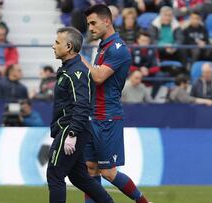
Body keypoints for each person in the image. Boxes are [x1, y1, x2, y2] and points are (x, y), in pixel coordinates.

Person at [83, 4, 149, 203]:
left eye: (93, 23)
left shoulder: (118, 48)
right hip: (93, 115)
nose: (91, 28)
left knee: (108, 172)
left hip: (107, 117)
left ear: (107, 21)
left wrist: (77, 58)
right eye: (88, 24)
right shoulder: (103, 46)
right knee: (90, 169)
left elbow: (99, 77)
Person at [47, 27, 114, 203]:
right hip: (72, 128)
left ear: (69, 46)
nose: (53, 46)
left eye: (57, 42)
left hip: (71, 128)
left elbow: (82, 105)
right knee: (80, 178)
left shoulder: (76, 72)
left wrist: (72, 133)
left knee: (55, 175)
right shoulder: (69, 69)